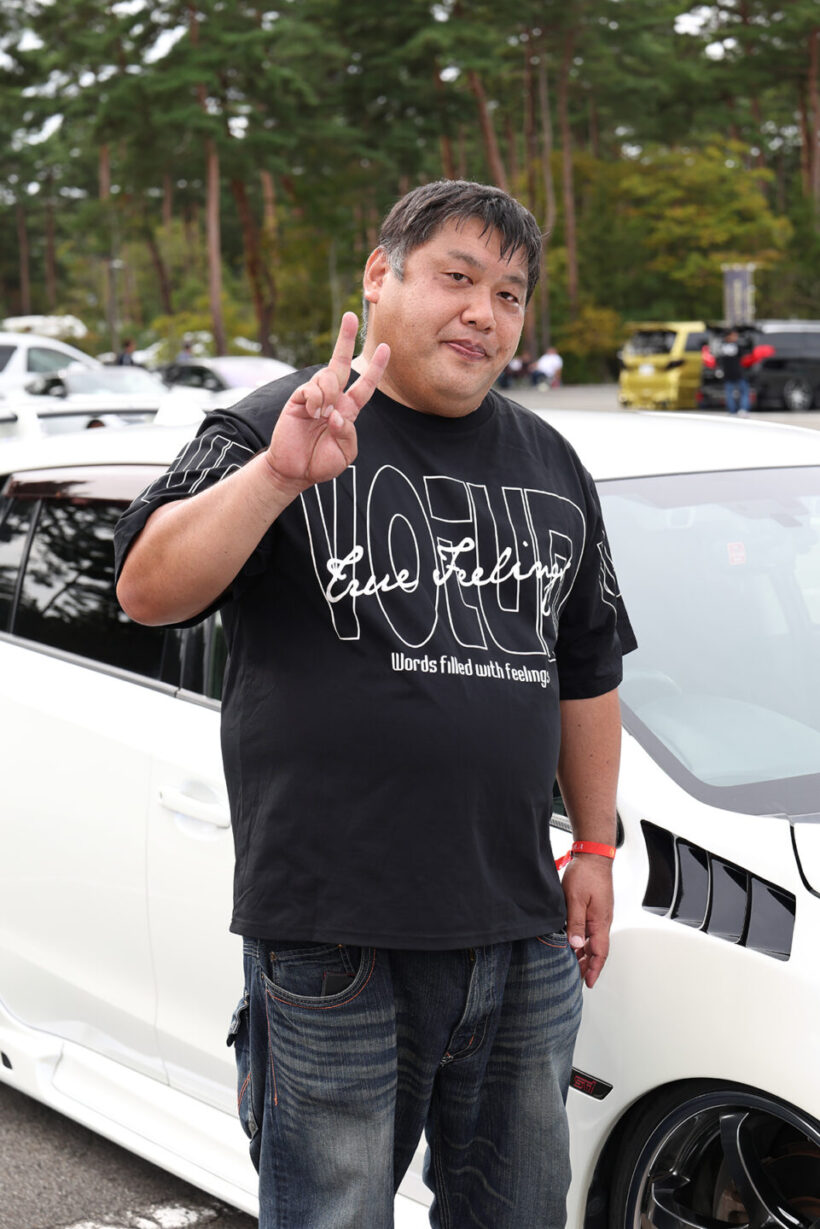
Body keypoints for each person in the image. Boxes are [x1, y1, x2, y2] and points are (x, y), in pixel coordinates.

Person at [114, 180, 636, 1229]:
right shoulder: (277, 422)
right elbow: (146, 589)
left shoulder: (551, 463)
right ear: (378, 275)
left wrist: (593, 845)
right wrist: (276, 477)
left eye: (509, 293)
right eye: (456, 277)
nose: (483, 312)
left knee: (519, 1210)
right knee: (333, 1213)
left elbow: (586, 667)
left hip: (520, 930)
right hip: (334, 938)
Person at [717, 328, 750, 414]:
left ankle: (732, 411)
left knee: (729, 393)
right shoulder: (737, 346)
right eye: (734, 335)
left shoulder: (721, 347)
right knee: (744, 392)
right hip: (738, 373)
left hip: (727, 373)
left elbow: (719, 360)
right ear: (728, 336)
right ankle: (743, 409)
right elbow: (744, 357)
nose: (736, 337)